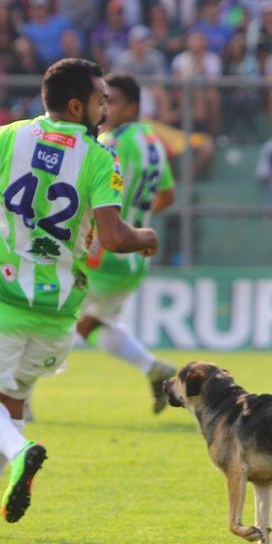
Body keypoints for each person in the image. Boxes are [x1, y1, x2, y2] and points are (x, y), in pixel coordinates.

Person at [0, 58, 158, 536]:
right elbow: (115, 237)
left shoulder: (1, 138)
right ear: (77, 105)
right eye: (101, 99)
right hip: (58, 312)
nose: (104, 108)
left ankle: (20, 453)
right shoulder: (102, 158)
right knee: (10, 402)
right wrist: (148, 237)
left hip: (2, 296)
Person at [75, 73, 176, 414]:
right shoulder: (153, 142)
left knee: (48, 314)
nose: (104, 107)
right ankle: (153, 368)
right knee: (87, 324)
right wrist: (136, 218)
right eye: (102, 100)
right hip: (134, 258)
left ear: (132, 107)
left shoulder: (112, 143)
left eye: (111, 101)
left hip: (103, 251)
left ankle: (19, 399)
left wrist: (113, 224)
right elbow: (167, 195)